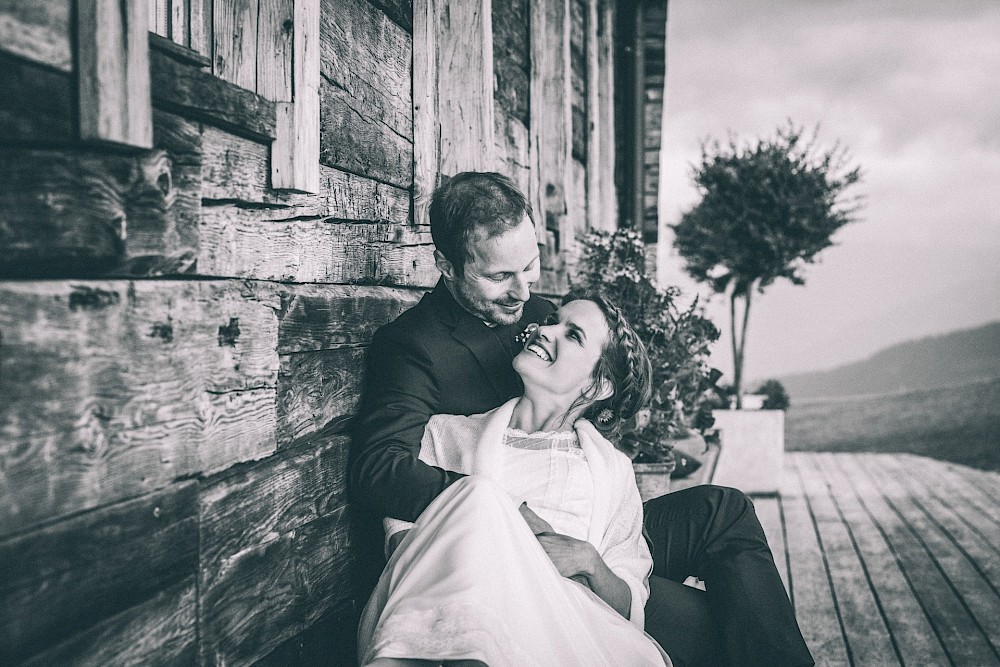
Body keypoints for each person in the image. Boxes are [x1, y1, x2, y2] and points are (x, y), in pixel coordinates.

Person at [351, 172, 814, 667]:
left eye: (530, 267)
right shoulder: (414, 347)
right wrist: (504, 514)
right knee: (720, 628)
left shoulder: (544, 316)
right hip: (502, 525)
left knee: (723, 510)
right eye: (500, 277)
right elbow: (379, 469)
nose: (524, 295)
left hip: (583, 518)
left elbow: (589, 401)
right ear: (447, 265)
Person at [358, 294, 669, 666]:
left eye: (573, 335)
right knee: (478, 494)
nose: (545, 330)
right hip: (437, 620)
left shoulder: (612, 472)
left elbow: (630, 606)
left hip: (565, 633)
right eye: (553, 319)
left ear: (598, 386)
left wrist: (589, 562)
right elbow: (401, 549)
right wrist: (505, 526)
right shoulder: (446, 436)